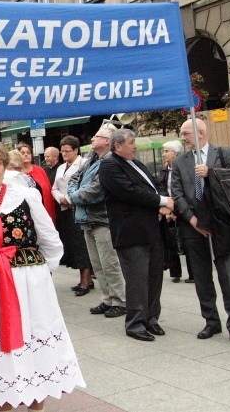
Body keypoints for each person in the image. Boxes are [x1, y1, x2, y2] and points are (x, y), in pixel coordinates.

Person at [0, 141, 84, 410]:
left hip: (28, 286)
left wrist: (37, 275)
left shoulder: (25, 197)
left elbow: (51, 242)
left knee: (33, 343)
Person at [171, 118, 230, 349]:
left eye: (186, 133)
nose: (183, 138)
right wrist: (192, 219)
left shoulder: (224, 153)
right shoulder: (180, 162)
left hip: (221, 224)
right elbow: (176, 194)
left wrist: (211, 173)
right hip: (193, 225)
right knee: (202, 277)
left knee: (229, 278)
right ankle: (211, 320)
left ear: (200, 133)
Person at [99, 129, 172, 342]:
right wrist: (161, 202)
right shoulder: (110, 165)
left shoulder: (136, 163)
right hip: (131, 234)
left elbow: (154, 184)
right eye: (131, 143)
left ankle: (151, 319)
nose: (135, 146)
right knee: (137, 280)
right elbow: (130, 191)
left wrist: (162, 200)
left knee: (154, 278)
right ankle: (135, 323)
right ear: (117, 146)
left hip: (152, 231)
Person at [67, 126, 126, 318]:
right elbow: (74, 178)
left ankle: (121, 300)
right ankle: (107, 298)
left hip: (102, 219)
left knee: (109, 263)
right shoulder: (91, 158)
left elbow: (97, 190)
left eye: (96, 136)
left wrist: (73, 197)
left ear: (107, 141)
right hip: (86, 219)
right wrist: (73, 192)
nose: (92, 139)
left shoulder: (109, 162)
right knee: (97, 264)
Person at [52, 136, 92, 296]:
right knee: (73, 244)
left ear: (76, 150)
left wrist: (69, 198)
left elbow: (85, 186)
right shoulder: (61, 168)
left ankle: (86, 281)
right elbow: (54, 187)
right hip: (65, 210)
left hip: (78, 208)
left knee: (82, 244)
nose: (64, 154)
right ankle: (85, 278)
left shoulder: (84, 164)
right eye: (62, 151)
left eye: (67, 151)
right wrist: (60, 198)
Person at [158, 140, 194, 283]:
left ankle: (193, 273)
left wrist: (175, 211)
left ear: (176, 153)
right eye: (164, 151)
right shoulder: (164, 170)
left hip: (182, 209)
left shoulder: (185, 168)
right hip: (168, 208)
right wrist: (166, 209)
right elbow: (161, 187)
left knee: (187, 242)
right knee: (170, 241)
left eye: (167, 151)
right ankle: (175, 273)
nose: (164, 154)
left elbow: (185, 191)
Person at [17, 142, 56, 225]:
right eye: (23, 153)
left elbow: (48, 191)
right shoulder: (15, 173)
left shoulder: (40, 170)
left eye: (28, 153)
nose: (26, 155)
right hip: (26, 213)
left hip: (43, 210)